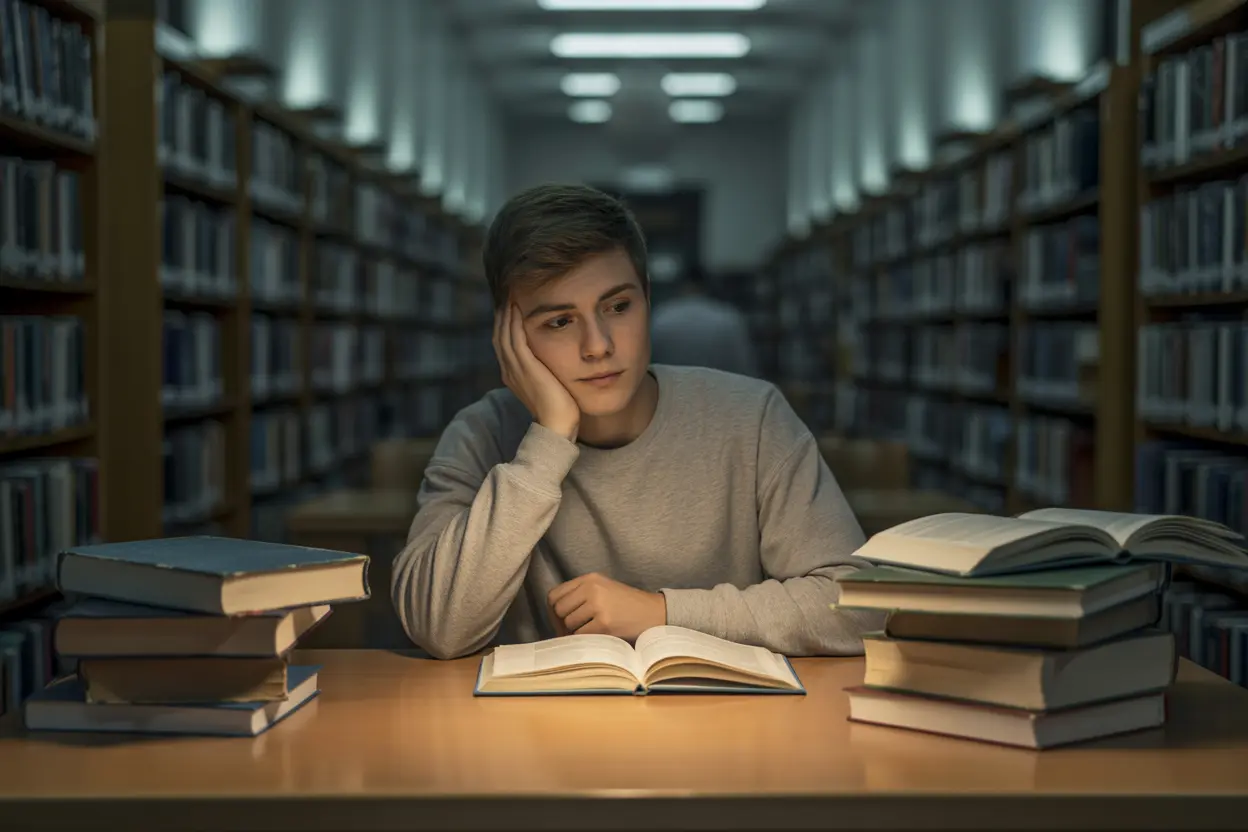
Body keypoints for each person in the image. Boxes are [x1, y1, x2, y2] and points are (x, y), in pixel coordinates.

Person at [390, 183, 881, 660]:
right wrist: (549, 440)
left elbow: (858, 609)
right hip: (536, 730)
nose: (598, 345)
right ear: (510, 336)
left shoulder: (753, 417)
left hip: (725, 725)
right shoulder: (480, 433)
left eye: (618, 306)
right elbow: (438, 629)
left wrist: (663, 613)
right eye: (560, 321)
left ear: (648, 300)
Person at [649, 266, 759, 377]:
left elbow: (650, 361)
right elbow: (743, 366)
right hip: (719, 389)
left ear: (681, 286)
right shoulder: (727, 317)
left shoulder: (661, 317)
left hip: (671, 388)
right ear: (706, 286)